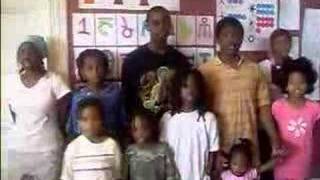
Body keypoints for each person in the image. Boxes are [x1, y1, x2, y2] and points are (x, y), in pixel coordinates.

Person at [198, 17, 281, 170]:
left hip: (249, 150)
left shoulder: (254, 70)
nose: (232, 40)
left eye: (236, 35)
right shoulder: (204, 72)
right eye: (226, 35)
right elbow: (200, 116)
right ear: (217, 38)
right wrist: (211, 150)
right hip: (219, 150)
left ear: (242, 39)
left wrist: (275, 140)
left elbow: (264, 110)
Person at [4, 36, 71, 180]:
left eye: (31, 51)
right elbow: (14, 114)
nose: (25, 55)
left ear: (42, 55)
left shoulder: (54, 81)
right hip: (18, 148)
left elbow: (65, 112)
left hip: (47, 149)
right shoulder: (11, 82)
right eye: (21, 51)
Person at [121, 6, 191, 116]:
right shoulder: (132, 61)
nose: (162, 27)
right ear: (147, 26)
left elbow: (187, 96)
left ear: (170, 26)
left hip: (173, 123)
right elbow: (126, 98)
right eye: (156, 23)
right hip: (144, 126)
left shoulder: (180, 60)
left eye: (166, 23)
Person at [161, 69, 219, 180]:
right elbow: (163, 150)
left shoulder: (208, 118)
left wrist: (210, 168)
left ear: (200, 89)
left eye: (194, 86)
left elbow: (213, 149)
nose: (190, 90)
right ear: (177, 89)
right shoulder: (167, 118)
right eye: (185, 86)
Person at [272, 57, 320, 180]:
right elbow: (272, 130)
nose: (297, 87)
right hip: (283, 159)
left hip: (304, 160)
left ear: (308, 83)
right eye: (292, 83)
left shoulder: (315, 108)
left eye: (301, 82)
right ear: (285, 85)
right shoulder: (277, 107)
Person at [66, 49, 126, 143]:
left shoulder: (115, 93)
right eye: (90, 68)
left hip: (112, 143)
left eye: (99, 67)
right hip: (86, 145)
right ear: (82, 72)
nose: (95, 72)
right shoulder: (78, 97)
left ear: (106, 69)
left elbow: (123, 121)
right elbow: (73, 127)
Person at [61, 97, 122, 180]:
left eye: (95, 119)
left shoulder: (111, 145)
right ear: (78, 122)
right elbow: (67, 177)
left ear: (102, 120)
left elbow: (117, 175)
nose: (90, 124)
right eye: (84, 119)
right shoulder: (72, 148)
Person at [125, 108, 180, 180]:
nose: (140, 133)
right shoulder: (130, 151)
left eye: (144, 128)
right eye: (135, 129)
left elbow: (172, 175)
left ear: (152, 127)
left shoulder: (163, 150)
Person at [259, 29, 293, 101]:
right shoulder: (263, 66)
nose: (284, 46)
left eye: (286, 42)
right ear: (272, 45)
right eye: (279, 43)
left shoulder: (296, 66)